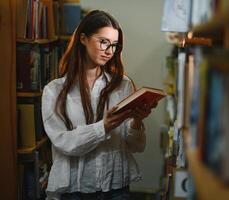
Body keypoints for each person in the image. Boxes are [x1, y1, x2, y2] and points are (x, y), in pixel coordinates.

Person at [42, 10, 157, 200]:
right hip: (74, 189)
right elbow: (64, 143)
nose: (109, 51)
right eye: (103, 42)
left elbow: (135, 146)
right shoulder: (53, 91)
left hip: (116, 187)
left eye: (114, 45)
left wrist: (137, 121)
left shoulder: (123, 84)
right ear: (83, 39)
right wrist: (104, 126)